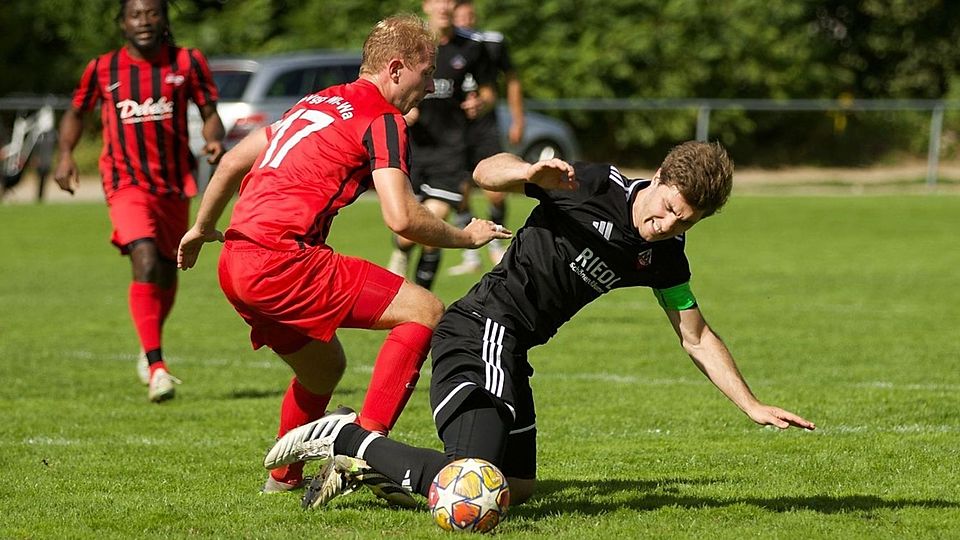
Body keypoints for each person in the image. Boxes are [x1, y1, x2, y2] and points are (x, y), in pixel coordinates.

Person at [263, 141, 817, 509]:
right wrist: (527, 172)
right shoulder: (594, 185)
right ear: (660, 179)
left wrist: (751, 404)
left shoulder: (665, 254)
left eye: (685, 221)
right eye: (667, 207)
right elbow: (486, 172)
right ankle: (348, 435)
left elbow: (695, 335)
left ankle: (372, 468)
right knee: (473, 485)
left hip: (514, 351)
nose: (666, 224)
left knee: (518, 490)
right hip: (480, 330)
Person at [176, 13, 511, 494]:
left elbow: (231, 160)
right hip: (283, 260)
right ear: (396, 68)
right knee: (426, 310)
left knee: (324, 369)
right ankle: (363, 453)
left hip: (236, 261)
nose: (433, 81)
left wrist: (201, 228)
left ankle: (283, 478)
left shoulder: (321, 99)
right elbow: (401, 218)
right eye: (426, 69)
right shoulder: (384, 118)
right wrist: (467, 235)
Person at [53, 0, 225, 403]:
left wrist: (214, 139)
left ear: (163, 20)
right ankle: (157, 365)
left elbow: (209, 111)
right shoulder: (102, 68)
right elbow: (76, 113)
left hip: (172, 184)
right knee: (144, 257)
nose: (144, 21)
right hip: (125, 181)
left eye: (152, 13)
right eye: (136, 14)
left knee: (167, 271)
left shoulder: (187, 61)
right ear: (122, 22)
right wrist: (64, 154)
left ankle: (148, 349)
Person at [386, 0, 497, 290]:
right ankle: (400, 251)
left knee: (434, 222)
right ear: (426, 5)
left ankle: (418, 298)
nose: (444, 6)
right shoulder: (409, 44)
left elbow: (488, 93)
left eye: (451, 1)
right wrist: (403, 109)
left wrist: (479, 103)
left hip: (451, 149)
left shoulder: (473, 46)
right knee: (408, 233)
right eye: (438, 0)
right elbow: (387, 87)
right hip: (411, 149)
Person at [447, 0, 525, 275]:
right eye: (461, 16)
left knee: (495, 192)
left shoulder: (490, 44)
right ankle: (472, 253)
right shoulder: (443, 47)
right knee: (459, 191)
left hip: (485, 128)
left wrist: (518, 119)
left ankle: (496, 242)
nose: (466, 20)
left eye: (470, 15)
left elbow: (510, 80)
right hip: (455, 130)